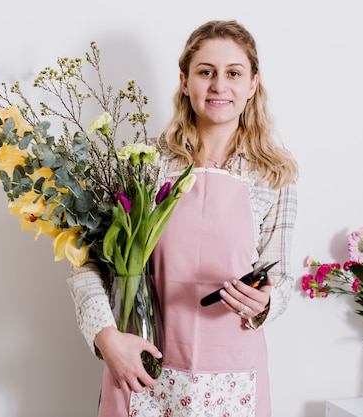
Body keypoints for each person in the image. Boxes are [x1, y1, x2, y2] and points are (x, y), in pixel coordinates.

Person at [67, 20, 298, 417]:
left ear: (253, 84)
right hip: (143, 365)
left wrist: (266, 301)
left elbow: (282, 276)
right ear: (185, 81)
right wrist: (106, 338)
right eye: (206, 72)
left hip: (233, 376)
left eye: (233, 73)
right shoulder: (144, 164)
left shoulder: (274, 175)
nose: (219, 85)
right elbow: (88, 264)